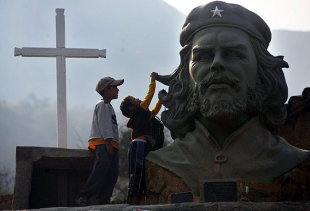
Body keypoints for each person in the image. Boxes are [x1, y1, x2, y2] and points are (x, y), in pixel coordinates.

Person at [145, 1, 310, 199]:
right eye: (203, 56)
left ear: (262, 69)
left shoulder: (296, 165)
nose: (217, 64)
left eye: (233, 54)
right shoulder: (156, 166)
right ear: (185, 74)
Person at [76, 76, 124, 205]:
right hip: (103, 143)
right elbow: (105, 124)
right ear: (107, 89)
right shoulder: (102, 105)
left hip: (110, 144)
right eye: (115, 87)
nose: (117, 90)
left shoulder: (108, 106)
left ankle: (104, 199)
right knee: (102, 167)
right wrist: (108, 142)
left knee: (112, 173)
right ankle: (84, 195)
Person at [120, 72, 162, 204]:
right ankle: (134, 197)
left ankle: (136, 196)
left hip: (136, 146)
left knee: (136, 171)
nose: (138, 99)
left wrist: (161, 100)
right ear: (132, 108)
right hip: (140, 145)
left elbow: (154, 112)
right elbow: (150, 95)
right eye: (134, 100)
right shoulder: (141, 110)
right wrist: (153, 80)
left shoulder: (141, 115)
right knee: (139, 171)